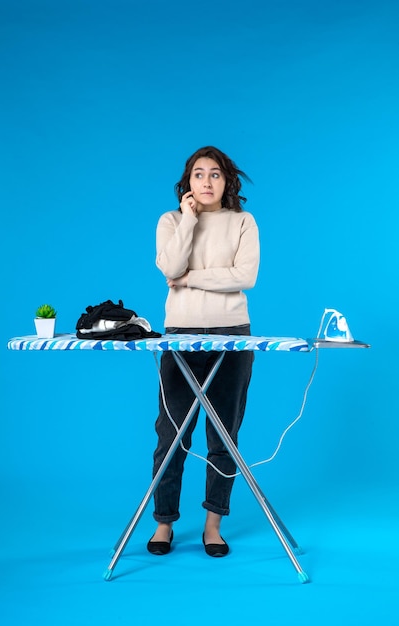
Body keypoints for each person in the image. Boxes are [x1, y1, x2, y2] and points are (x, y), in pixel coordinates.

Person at [147, 146, 260, 557]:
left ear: (227, 181)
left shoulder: (243, 222)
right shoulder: (172, 221)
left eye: (215, 174)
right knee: (171, 434)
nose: (207, 181)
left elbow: (244, 276)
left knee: (224, 434)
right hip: (180, 335)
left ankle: (214, 524)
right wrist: (190, 219)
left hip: (232, 335)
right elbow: (168, 268)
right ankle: (164, 524)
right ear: (188, 182)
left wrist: (190, 277)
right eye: (199, 174)